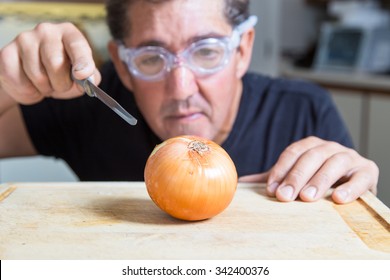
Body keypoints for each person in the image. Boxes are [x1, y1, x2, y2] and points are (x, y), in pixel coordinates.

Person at [0, 0, 378, 204]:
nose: (180, 89)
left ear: (243, 50)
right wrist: (6, 82)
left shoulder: (303, 111)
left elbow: (344, 216)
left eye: (207, 52)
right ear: (122, 65)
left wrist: (354, 195)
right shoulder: (88, 104)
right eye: (151, 57)